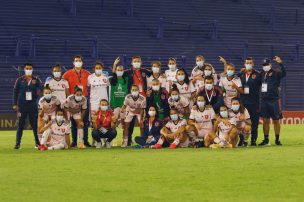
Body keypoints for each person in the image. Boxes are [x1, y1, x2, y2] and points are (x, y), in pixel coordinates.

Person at [63, 55, 91, 147]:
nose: (78, 62)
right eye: (76, 60)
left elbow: (90, 86)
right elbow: (64, 86)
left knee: (85, 122)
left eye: (79, 60)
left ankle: (85, 141)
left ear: (82, 62)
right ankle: (75, 141)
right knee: (73, 123)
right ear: (73, 62)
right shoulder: (67, 74)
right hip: (72, 100)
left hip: (83, 99)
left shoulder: (87, 74)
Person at [13, 63, 42, 149]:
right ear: (24, 69)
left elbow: (40, 90)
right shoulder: (19, 80)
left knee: (34, 125)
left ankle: (37, 143)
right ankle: (17, 144)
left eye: (30, 68)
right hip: (22, 106)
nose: (28, 69)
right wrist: (15, 104)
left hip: (32, 105)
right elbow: (15, 92)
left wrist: (36, 97)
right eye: (27, 68)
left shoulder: (36, 80)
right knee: (20, 125)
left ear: (32, 69)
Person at [259, 56, 286, 146]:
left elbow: (284, 74)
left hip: (274, 100)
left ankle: (277, 139)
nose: (265, 66)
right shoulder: (262, 73)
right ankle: (266, 140)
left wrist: (280, 63)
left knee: (276, 120)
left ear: (270, 64)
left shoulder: (275, 72)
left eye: (266, 64)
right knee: (265, 120)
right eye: (264, 65)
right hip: (264, 100)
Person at [237, 57, 262, 146]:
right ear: (244, 64)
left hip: (254, 102)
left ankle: (253, 140)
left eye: (250, 63)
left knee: (254, 122)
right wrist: (240, 72)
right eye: (247, 63)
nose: (248, 64)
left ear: (253, 64)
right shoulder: (241, 74)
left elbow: (264, 84)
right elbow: (233, 78)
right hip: (243, 102)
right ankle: (241, 140)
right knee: (241, 121)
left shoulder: (258, 74)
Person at [110, 62, 128, 127]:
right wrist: (114, 65)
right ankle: (112, 135)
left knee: (124, 122)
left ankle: (124, 137)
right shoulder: (112, 80)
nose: (119, 71)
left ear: (123, 71)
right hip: (115, 104)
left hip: (124, 105)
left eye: (121, 70)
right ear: (116, 71)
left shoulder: (126, 79)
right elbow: (113, 73)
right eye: (118, 70)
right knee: (113, 121)